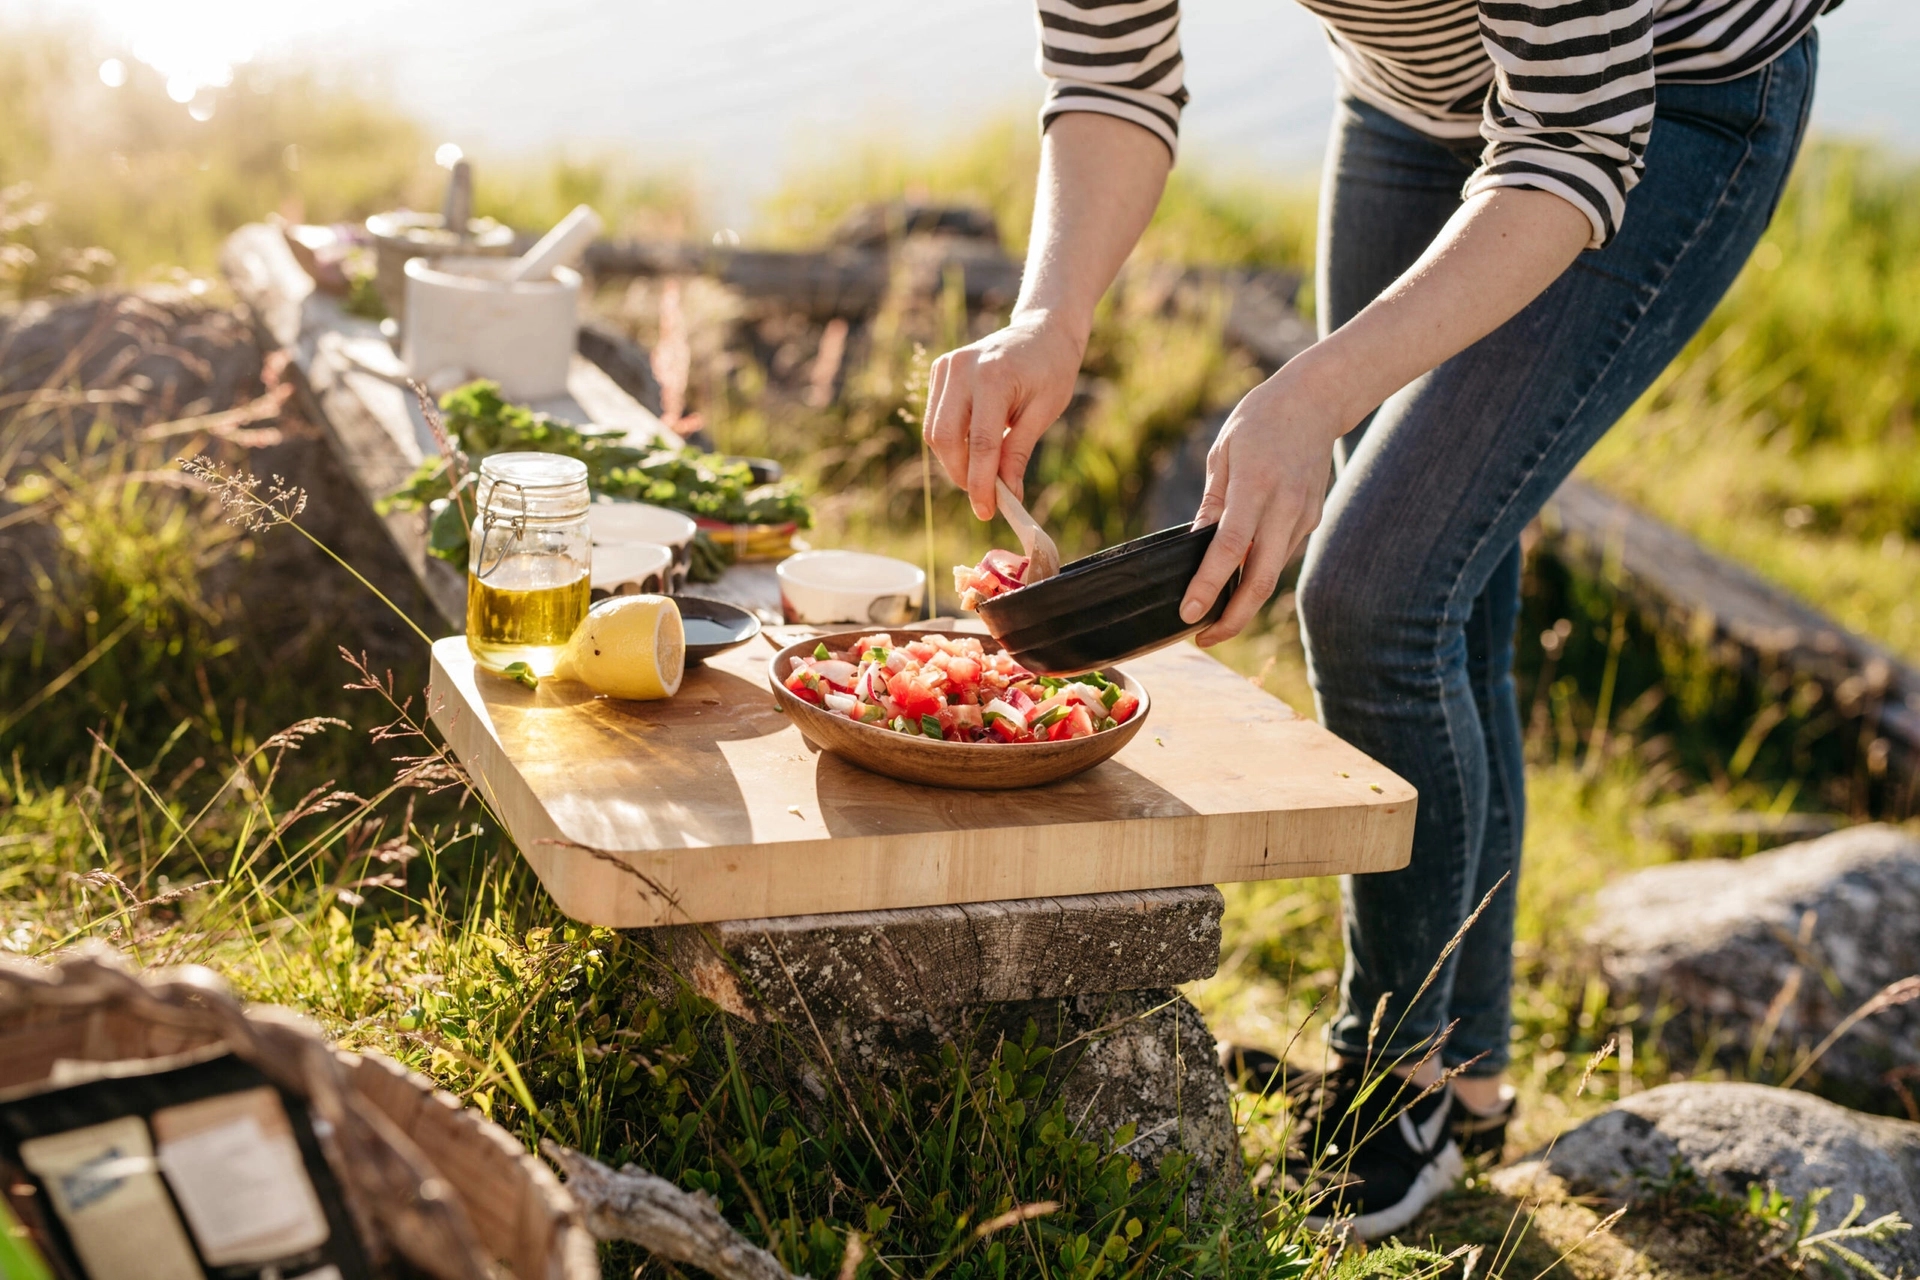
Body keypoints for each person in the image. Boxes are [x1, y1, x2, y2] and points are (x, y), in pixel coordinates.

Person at [923, 0, 1824, 1238]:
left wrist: (1313, 391)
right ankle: (1469, 1083)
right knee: (1452, 586)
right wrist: (1050, 314)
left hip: (1660, 108)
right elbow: (1110, 64)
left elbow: (1573, 139)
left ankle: (1391, 1075)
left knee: (1378, 590)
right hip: (1412, 104)